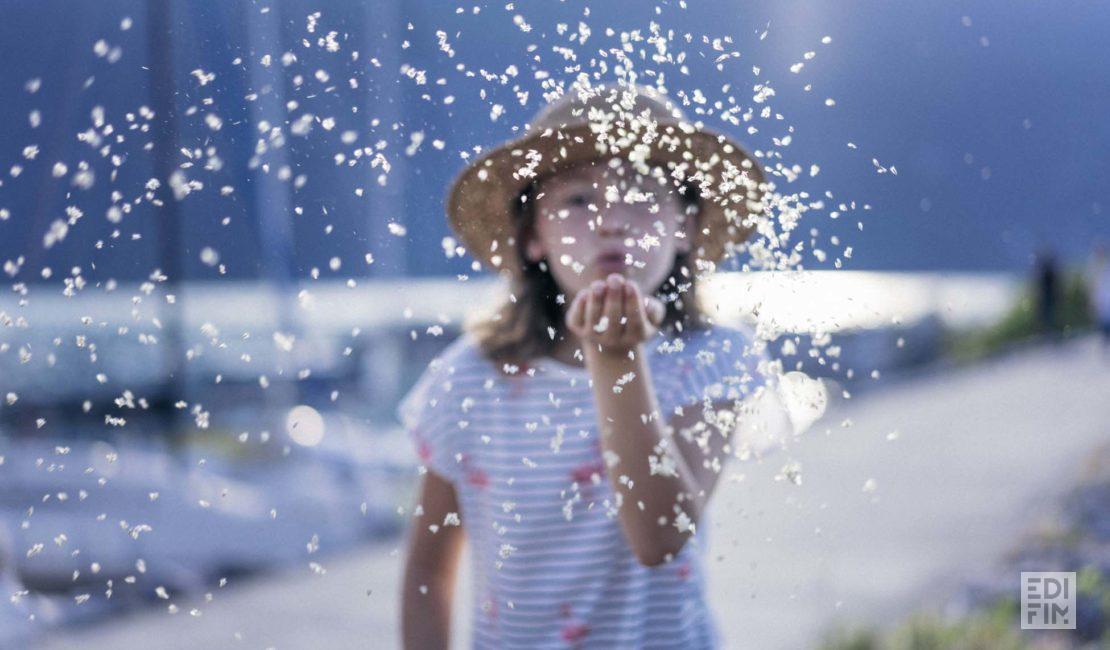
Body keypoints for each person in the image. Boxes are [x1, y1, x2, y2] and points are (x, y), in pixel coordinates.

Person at [398, 81, 774, 649]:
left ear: (684, 228)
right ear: (533, 237)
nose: (610, 221)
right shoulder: (470, 379)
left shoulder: (711, 358)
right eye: (577, 200)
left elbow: (659, 538)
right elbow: (429, 570)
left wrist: (615, 359)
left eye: (642, 194)